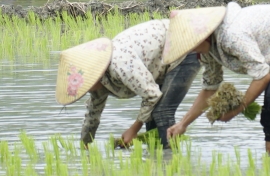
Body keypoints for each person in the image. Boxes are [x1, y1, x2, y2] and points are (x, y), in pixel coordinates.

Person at [164, 3, 270, 157]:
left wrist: (236, 110)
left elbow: (262, 77)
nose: (191, 50)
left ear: (203, 36)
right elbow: (210, 89)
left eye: (192, 45)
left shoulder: (232, 37)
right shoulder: (207, 50)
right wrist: (182, 124)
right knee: (268, 115)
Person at [56, 21, 201, 152]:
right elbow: (93, 115)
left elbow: (152, 95)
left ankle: (171, 161)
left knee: (162, 112)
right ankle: (157, 161)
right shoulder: (99, 84)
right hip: (161, 61)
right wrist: (84, 147)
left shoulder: (120, 64)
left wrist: (133, 130)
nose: (86, 90)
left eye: (85, 86)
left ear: (94, 74)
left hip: (183, 45)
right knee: (151, 116)